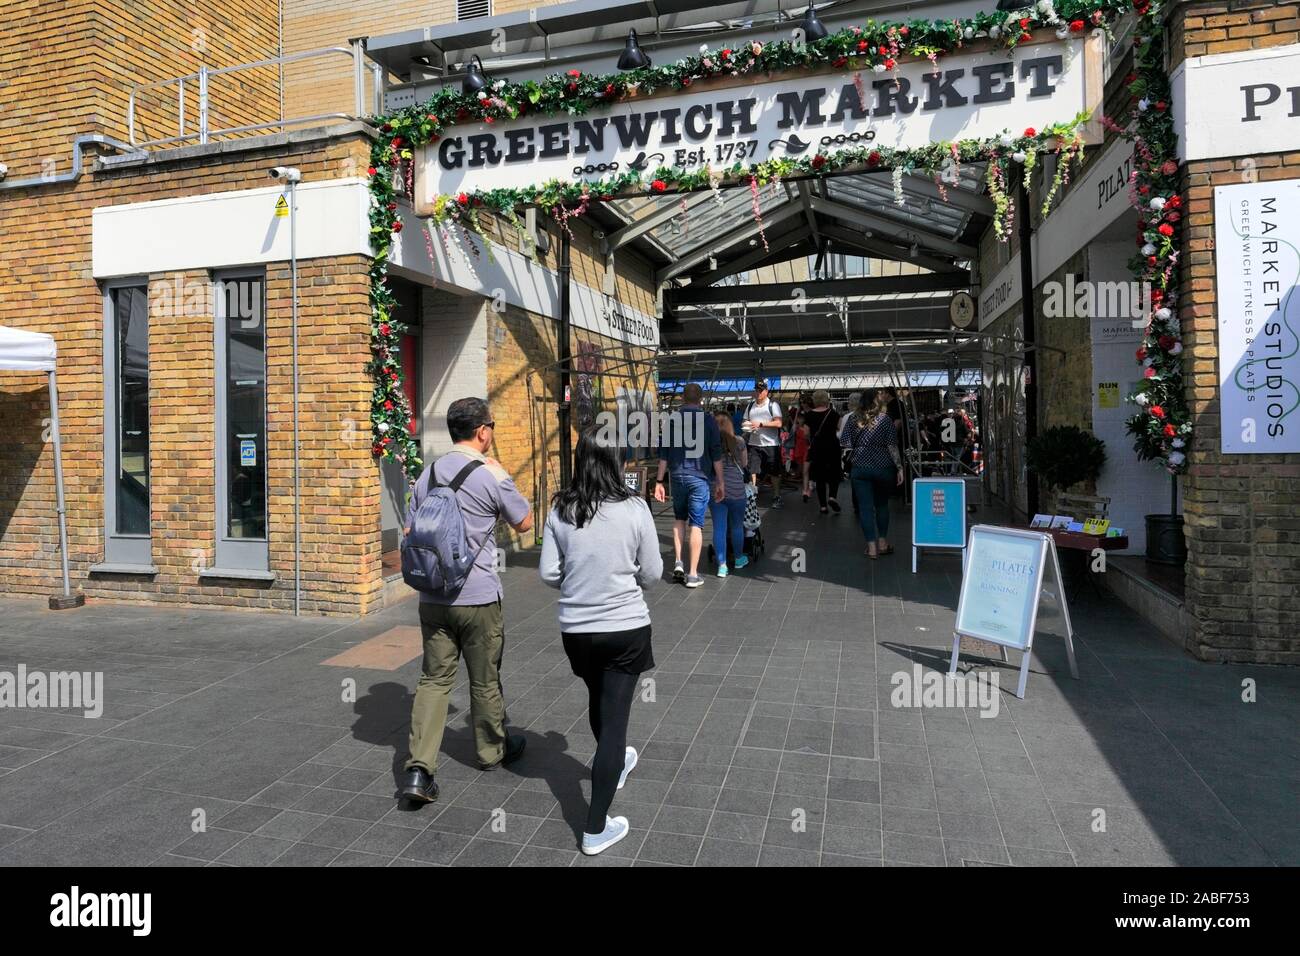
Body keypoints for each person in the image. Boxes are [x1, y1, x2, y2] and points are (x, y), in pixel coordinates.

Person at [399, 397, 533, 805]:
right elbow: (525, 521)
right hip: (477, 597)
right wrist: (502, 476)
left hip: (432, 598)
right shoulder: (490, 475)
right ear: (483, 431)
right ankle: (491, 751)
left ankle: (420, 772)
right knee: (484, 678)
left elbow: (409, 530)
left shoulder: (430, 473)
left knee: (434, 680)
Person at [540, 429, 663, 855]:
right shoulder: (634, 508)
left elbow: (548, 573)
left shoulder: (560, 508)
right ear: (618, 461)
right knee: (614, 726)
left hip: (577, 631)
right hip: (625, 628)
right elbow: (652, 573)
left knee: (599, 699)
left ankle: (617, 763)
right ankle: (595, 828)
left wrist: (581, 577)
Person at [654, 382, 724, 589]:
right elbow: (716, 455)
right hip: (699, 478)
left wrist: (659, 481)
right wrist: (720, 482)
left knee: (679, 518)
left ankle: (678, 561)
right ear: (701, 400)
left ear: (682, 398)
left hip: (677, 476)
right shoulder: (709, 421)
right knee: (696, 524)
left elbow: (663, 455)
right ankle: (693, 575)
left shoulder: (672, 421)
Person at [840, 390, 904, 559]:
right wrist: (899, 468)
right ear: (878, 402)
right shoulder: (886, 420)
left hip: (860, 467)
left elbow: (845, 442)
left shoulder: (854, 418)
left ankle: (872, 547)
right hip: (883, 467)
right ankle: (882, 542)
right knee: (882, 505)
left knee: (865, 508)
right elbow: (892, 446)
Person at [711, 411, 750, 577]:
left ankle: (722, 565)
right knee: (736, 526)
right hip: (736, 489)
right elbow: (745, 463)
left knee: (719, 528)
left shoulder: (709, 442)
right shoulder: (739, 441)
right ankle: (739, 558)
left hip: (716, 489)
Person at [742, 380, 784, 508]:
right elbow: (745, 421)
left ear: (766, 391)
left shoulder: (773, 405)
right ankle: (752, 495)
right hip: (754, 444)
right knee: (752, 470)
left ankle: (776, 496)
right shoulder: (750, 406)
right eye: (756, 390)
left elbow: (779, 423)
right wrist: (747, 426)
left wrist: (760, 424)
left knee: (774, 472)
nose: (758, 392)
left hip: (771, 444)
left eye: (761, 390)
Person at [802, 389, 842, 515]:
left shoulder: (808, 415)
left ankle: (823, 506)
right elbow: (839, 428)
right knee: (833, 474)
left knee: (819, 477)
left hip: (817, 448)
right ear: (826, 400)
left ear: (815, 400)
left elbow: (806, 433)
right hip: (832, 447)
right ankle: (832, 497)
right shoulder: (834, 414)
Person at [791, 411, 811, 501]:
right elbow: (794, 424)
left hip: (805, 448)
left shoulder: (806, 428)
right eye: (799, 418)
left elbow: (808, 438)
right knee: (801, 466)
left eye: (801, 418)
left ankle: (807, 485)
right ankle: (805, 483)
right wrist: (796, 414)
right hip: (799, 448)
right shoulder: (797, 427)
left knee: (805, 468)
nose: (799, 419)